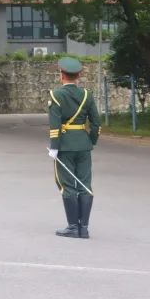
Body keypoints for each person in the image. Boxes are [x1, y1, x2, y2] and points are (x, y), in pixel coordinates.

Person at [48, 56, 101, 239]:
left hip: (64, 146)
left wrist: (54, 147)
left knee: (67, 185)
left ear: (61, 75)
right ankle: (84, 228)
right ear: (78, 76)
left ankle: (72, 227)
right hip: (83, 145)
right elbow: (96, 123)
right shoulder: (87, 95)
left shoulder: (56, 95)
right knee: (85, 184)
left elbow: (55, 125)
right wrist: (91, 141)